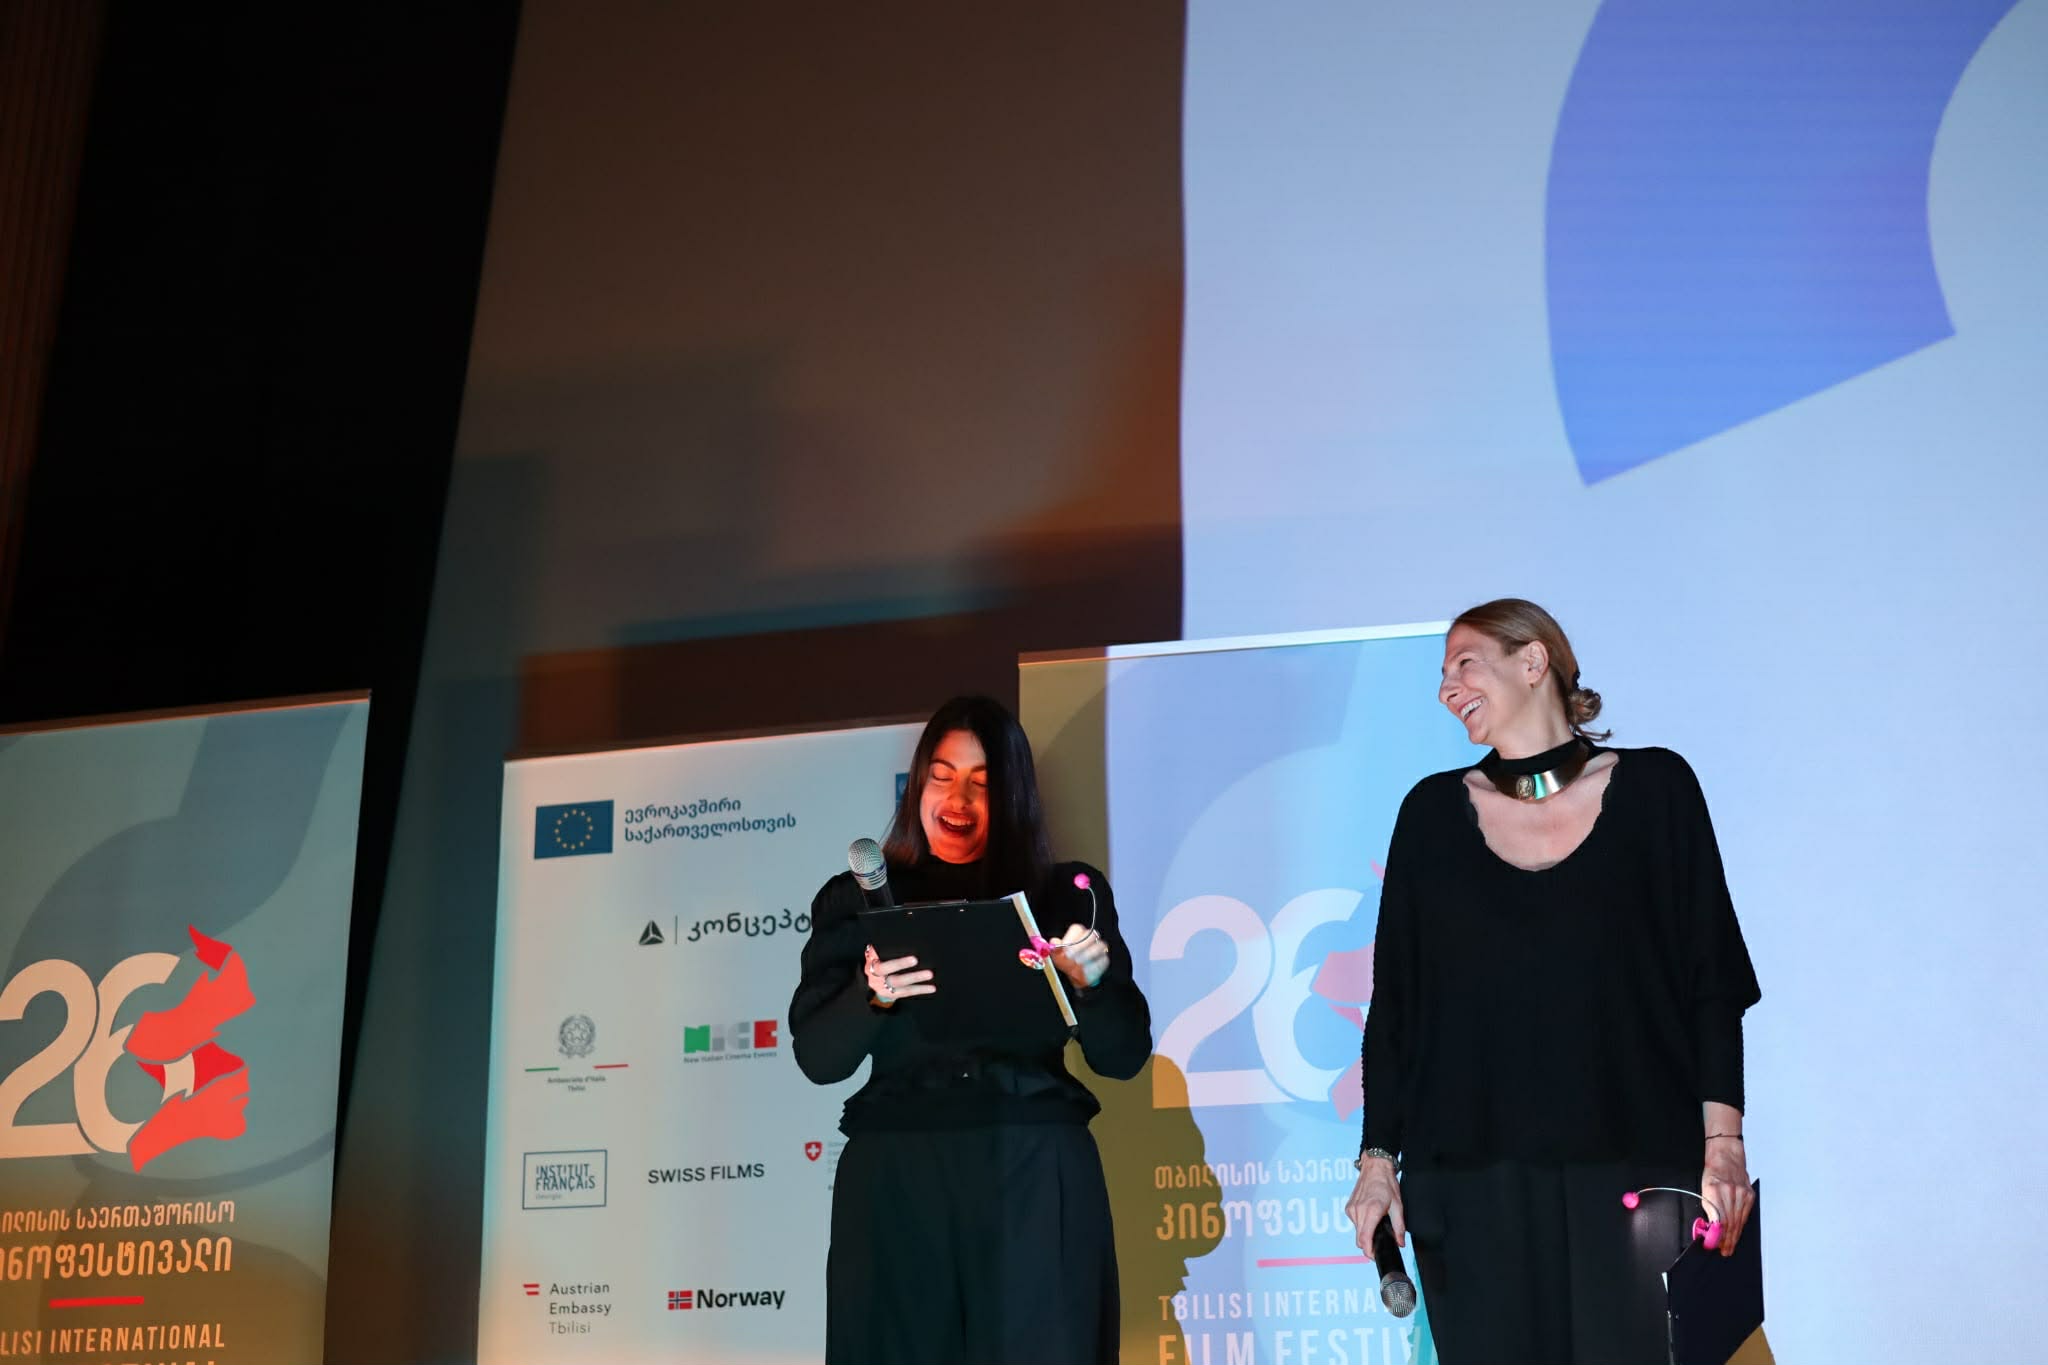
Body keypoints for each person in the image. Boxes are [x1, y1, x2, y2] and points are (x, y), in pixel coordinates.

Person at [1345, 599, 1762, 1364]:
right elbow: (1396, 1009)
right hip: (1470, 1188)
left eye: (1465, 662)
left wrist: (1724, 1144)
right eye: (1442, 673)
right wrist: (1377, 1164)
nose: (1446, 687)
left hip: (1640, 1176)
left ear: (1533, 660)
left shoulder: (1659, 789)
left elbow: (1713, 981)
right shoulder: (1431, 815)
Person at [790, 694, 1152, 1365]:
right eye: (942, 776)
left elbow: (1124, 1055)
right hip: (899, 1175)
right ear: (918, 786)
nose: (957, 799)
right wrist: (870, 997)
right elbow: (818, 1057)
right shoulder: (856, 900)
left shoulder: (1066, 895)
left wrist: (1090, 984)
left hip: (1032, 1163)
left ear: (1013, 796)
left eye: (982, 783)